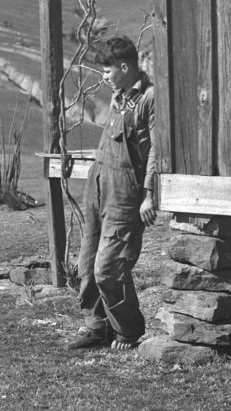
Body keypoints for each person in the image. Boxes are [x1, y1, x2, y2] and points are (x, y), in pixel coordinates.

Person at [66, 35, 157, 350]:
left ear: (124, 66)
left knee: (109, 267)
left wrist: (149, 194)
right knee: (87, 262)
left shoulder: (149, 98)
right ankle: (97, 326)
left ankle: (128, 330)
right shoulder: (119, 97)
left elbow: (157, 151)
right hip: (98, 184)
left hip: (125, 194)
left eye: (107, 70)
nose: (103, 77)